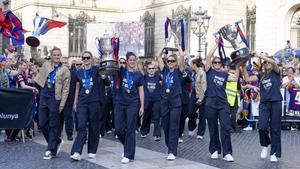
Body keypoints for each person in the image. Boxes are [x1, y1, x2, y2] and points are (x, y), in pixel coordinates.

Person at [30, 46, 70, 160]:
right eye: (54, 55)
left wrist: (62, 104)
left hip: (55, 98)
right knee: (42, 124)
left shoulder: (65, 70)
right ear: (51, 56)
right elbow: (36, 57)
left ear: (60, 56)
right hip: (44, 95)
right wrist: (33, 46)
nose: (56, 57)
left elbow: (66, 89)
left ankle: (50, 150)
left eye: (58, 55)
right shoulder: (46, 64)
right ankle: (56, 141)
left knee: (53, 124)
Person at [242, 54, 282, 162]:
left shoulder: (276, 72)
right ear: (263, 65)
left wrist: (260, 55)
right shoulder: (261, 75)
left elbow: (273, 63)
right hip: (264, 103)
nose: (267, 63)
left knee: (275, 128)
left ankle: (274, 153)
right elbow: (247, 78)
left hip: (276, 102)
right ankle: (265, 145)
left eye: (268, 61)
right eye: (265, 62)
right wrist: (243, 65)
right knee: (262, 126)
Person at [203, 45, 240, 162]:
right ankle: (214, 150)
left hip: (223, 103)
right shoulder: (209, 71)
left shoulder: (224, 74)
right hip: (210, 102)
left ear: (221, 63)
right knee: (213, 128)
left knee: (225, 127)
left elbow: (235, 79)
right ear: (213, 64)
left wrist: (238, 66)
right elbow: (208, 56)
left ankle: (227, 153)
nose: (217, 63)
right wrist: (217, 44)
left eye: (219, 62)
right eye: (215, 62)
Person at [70, 51, 108, 161]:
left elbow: (106, 82)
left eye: (88, 58)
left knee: (94, 126)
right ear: (82, 59)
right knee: (81, 126)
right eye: (84, 58)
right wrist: (75, 102)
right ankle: (77, 151)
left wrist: (104, 76)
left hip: (94, 101)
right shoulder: (79, 72)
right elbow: (77, 88)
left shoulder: (96, 70)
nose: (86, 60)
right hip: (82, 102)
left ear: (91, 59)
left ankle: (92, 150)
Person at [114, 52, 144, 164]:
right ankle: (127, 145)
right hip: (120, 102)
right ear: (126, 61)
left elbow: (141, 90)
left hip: (133, 103)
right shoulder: (121, 71)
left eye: (134, 60)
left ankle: (128, 154)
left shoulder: (139, 75)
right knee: (118, 129)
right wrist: (114, 49)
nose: (132, 61)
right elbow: (115, 62)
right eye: (130, 60)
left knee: (130, 129)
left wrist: (142, 106)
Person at [156, 45, 185, 161]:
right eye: (168, 61)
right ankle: (169, 146)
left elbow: (182, 56)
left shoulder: (179, 71)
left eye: (173, 61)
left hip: (175, 101)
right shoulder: (165, 70)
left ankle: (172, 150)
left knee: (174, 126)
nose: (170, 62)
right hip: (164, 101)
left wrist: (178, 47)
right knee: (165, 126)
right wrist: (164, 45)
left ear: (176, 62)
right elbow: (158, 56)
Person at [140, 62, 162, 141]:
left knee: (156, 117)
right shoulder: (144, 77)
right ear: (147, 70)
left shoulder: (159, 77)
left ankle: (157, 134)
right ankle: (143, 131)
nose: (151, 70)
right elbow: (140, 67)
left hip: (156, 100)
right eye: (150, 68)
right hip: (147, 100)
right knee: (146, 116)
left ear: (155, 69)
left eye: (153, 68)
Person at [188, 57, 207, 139]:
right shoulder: (193, 73)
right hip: (193, 94)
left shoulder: (202, 73)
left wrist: (201, 98)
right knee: (190, 112)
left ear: (194, 64)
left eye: (191, 64)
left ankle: (200, 133)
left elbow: (204, 86)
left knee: (203, 115)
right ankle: (193, 126)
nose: (190, 66)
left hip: (201, 95)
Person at [59, 57, 75, 141]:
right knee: (59, 117)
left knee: (68, 117)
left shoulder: (73, 73)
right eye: (63, 63)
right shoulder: (57, 73)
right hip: (59, 98)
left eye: (66, 63)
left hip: (69, 99)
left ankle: (69, 133)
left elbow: (76, 86)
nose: (65, 64)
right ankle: (58, 133)